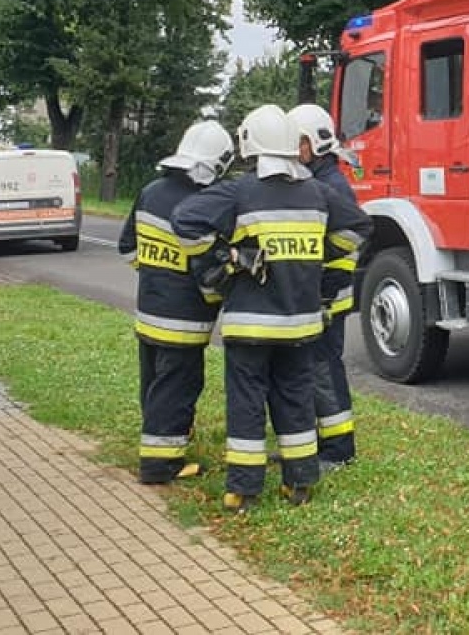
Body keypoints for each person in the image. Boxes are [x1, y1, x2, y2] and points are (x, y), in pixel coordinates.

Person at [171, 105, 373, 513]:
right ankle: (300, 483)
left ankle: (244, 490)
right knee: (295, 398)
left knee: (246, 402)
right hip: (301, 326)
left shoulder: (239, 192)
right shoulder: (318, 193)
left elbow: (184, 219)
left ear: (251, 144)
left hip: (250, 325)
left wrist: (227, 256)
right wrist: (317, 258)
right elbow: (359, 227)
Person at [117, 120, 237, 485]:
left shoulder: (150, 191)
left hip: (148, 312)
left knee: (154, 384)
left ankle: (159, 441)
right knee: (177, 387)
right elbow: (208, 271)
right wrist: (216, 298)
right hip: (184, 321)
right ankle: (160, 465)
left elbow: (128, 248)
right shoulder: (203, 204)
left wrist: (156, 274)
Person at [289, 103, 370, 471]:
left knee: (324, 370)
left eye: (298, 142)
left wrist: (326, 286)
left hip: (328, 299)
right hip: (320, 295)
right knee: (312, 370)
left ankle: (339, 449)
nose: (293, 150)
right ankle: (318, 442)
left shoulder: (330, 186)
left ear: (315, 144)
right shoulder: (315, 179)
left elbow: (351, 239)